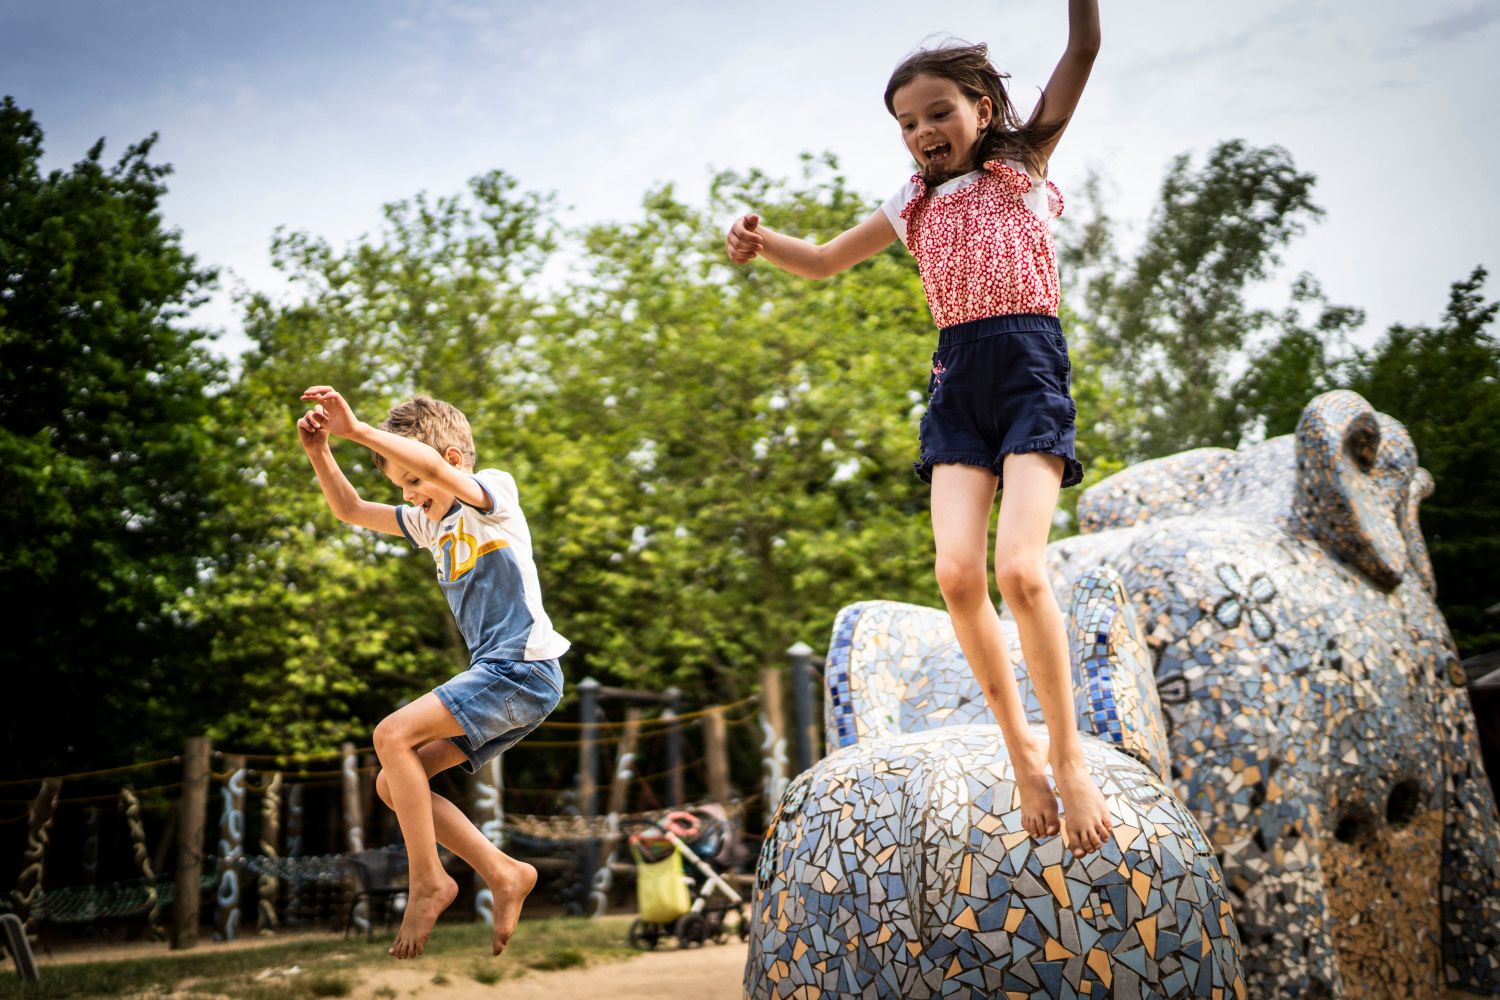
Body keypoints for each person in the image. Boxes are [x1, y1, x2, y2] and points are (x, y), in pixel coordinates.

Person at [725, 3, 1111, 858]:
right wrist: (760, 242)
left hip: (1029, 367)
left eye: (939, 111)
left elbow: (1083, 48)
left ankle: (1070, 756)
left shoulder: (1022, 161)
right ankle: (1020, 748)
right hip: (955, 380)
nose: (923, 131)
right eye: (907, 122)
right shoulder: (912, 202)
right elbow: (825, 260)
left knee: (1020, 569)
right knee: (956, 575)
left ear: (982, 107)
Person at [295, 387, 568, 957]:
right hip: (507, 678)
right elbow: (349, 511)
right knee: (392, 782)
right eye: (402, 487)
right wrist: (322, 450)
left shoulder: (491, 496)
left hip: (522, 668)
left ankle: (429, 881)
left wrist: (360, 429)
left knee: (390, 733)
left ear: (454, 461)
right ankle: (503, 871)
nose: (411, 495)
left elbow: (427, 464)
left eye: (415, 481)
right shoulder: (431, 525)